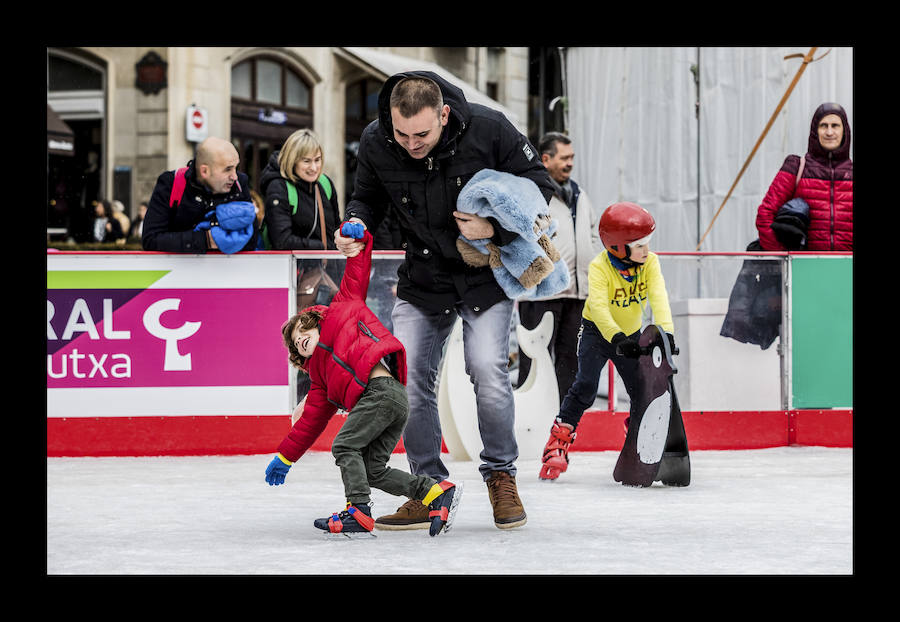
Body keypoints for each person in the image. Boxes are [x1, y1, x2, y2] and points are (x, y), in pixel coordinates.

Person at [335, 71, 555, 531]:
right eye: (402, 133)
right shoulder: (377, 141)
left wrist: (494, 230)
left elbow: (540, 186)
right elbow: (366, 199)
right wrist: (354, 224)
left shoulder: (491, 129)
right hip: (423, 279)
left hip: (483, 277)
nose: (412, 144)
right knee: (407, 381)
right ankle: (428, 489)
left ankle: (501, 476)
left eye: (422, 134)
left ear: (444, 114)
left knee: (488, 373)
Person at [264, 223, 462, 538]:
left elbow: (358, 266)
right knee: (371, 469)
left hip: (383, 392)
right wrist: (285, 457)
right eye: (294, 343)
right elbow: (309, 425)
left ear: (311, 320)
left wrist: (357, 236)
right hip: (386, 403)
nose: (299, 339)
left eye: (301, 330)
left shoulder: (344, 307)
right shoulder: (320, 380)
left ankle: (358, 511)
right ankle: (434, 492)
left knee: (344, 445)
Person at [539, 202, 675, 480]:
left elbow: (659, 297)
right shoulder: (599, 266)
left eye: (648, 243)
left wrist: (666, 332)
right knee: (585, 386)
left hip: (632, 336)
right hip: (597, 334)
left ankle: (639, 435)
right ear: (617, 247)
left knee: (641, 391)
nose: (646, 250)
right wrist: (616, 337)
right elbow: (599, 308)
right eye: (639, 245)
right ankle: (558, 442)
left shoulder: (650, 263)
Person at [515, 132, 603, 404]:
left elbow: (592, 234)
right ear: (546, 159)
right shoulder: (531, 192)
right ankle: (528, 416)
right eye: (564, 158)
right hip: (540, 294)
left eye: (571, 157)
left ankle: (563, 420)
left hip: (577, 294)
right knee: (533, 357)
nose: (570, 163)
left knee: (570, 361)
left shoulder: (579, 194)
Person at [755, 102, 853, 251]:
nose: (829, 132)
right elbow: (765, 215)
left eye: (835, 126)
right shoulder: (796, 167)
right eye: (823, 126)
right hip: (804, 269)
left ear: (844, 131)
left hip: (846, 269)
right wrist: (783, 256)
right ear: (815, 131)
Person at [142, 137, 258, 253]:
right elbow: (150, 240)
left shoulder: (239, 184)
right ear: (205, 171)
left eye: (235, 168)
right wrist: (205, 239)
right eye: (228, 169)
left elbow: (252, 240)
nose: (234, 176)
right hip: (180, 270)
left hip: (229, 270)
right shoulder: (171, 183)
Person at [259, 128, 341, 251]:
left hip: (328, 268)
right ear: (292, 160)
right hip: (289, 268)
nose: (314, 167)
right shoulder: (279, 187)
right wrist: (322, 248)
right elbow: (281, 241)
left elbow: (335, 229)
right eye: (306, 161)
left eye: (317, 160)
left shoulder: (324, 183)